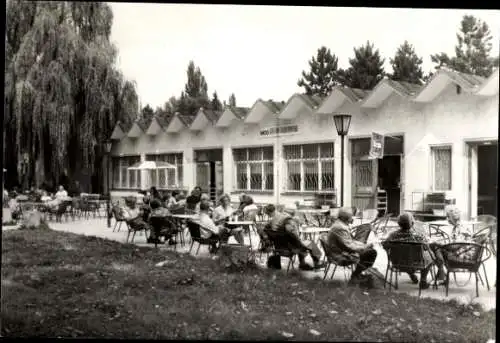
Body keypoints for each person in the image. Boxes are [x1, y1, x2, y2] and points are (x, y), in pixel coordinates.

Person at [386, 212, 446, 288]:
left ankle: (411, 274)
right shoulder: (418, 237)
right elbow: (426, 246)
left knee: (405, 257)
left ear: (399, 223)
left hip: (397, 263)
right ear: (412, 223)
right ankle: (423, 280)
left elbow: (385, 245)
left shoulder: (392, 235)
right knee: (430, 258)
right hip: (417, 264)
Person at [263, 204, 325, 270]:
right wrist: (299, 241)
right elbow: (291, 231)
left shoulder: (272, 221)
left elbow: (265, 229)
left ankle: (303, 263)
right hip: (290, 247)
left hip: (280, 246)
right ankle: (316, 263)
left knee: (301, 242)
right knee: (311, 244)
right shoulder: (286, 219)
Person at [327, 207, 378, 282]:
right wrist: (365, 247)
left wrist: (363, 245)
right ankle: (356, 275)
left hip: (340, 250)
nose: (352, 218)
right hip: (340, 254)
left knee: (369, 251)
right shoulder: (340, 227)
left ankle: (359, 273)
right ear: (346, 218)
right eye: (351, 216)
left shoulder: (340, 224)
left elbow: (350, 241)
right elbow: (349, 246)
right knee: (371, 252)